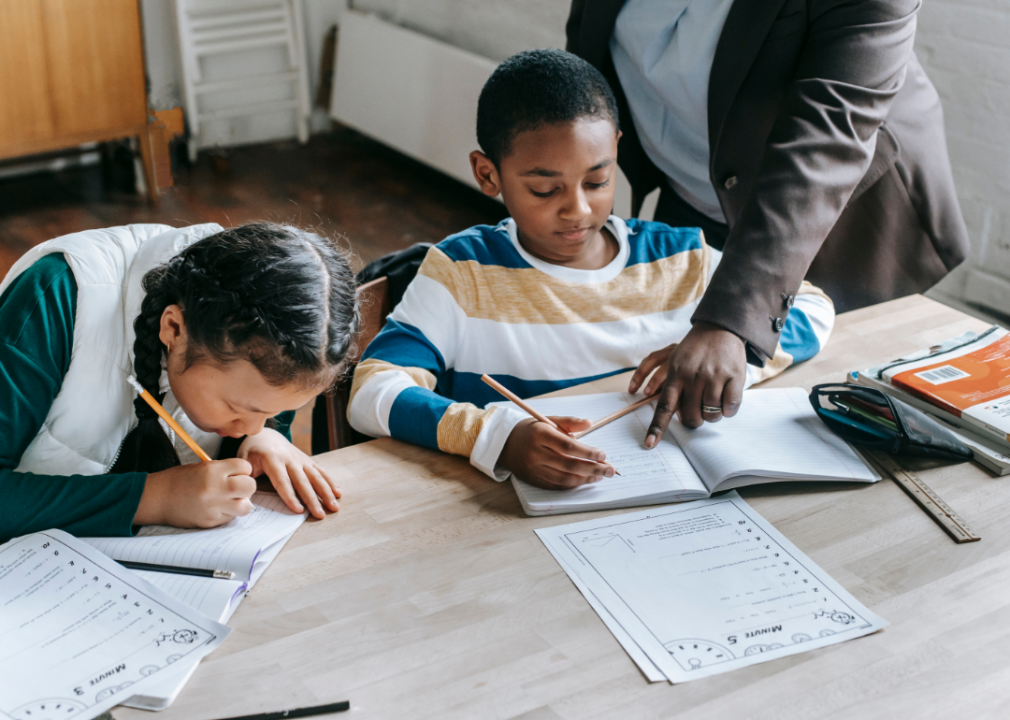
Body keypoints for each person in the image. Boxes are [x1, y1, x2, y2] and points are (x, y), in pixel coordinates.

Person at [348, 49, 834, 491]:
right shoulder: (463, 273)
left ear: (617, 150)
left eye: (598, 180)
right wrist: (497, 436)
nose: (577, 209)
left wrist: (727, 358)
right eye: (545, 190)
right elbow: (373, 388)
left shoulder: (678, 256)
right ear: (488, 174)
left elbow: (812, 306)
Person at [566, 0, 969, 443]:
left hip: (839, 221)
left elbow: (824, 144)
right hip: (689, 190)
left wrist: (731, 322)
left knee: (829, 424)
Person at [0, 222, 358, 542]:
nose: (251, 425)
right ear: (173, 328)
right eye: (237, 409)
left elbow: (255, 422)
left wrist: (263, 441)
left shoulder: (276, 343)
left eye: (275, 412)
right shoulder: (54, 295)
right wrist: (156, 498)